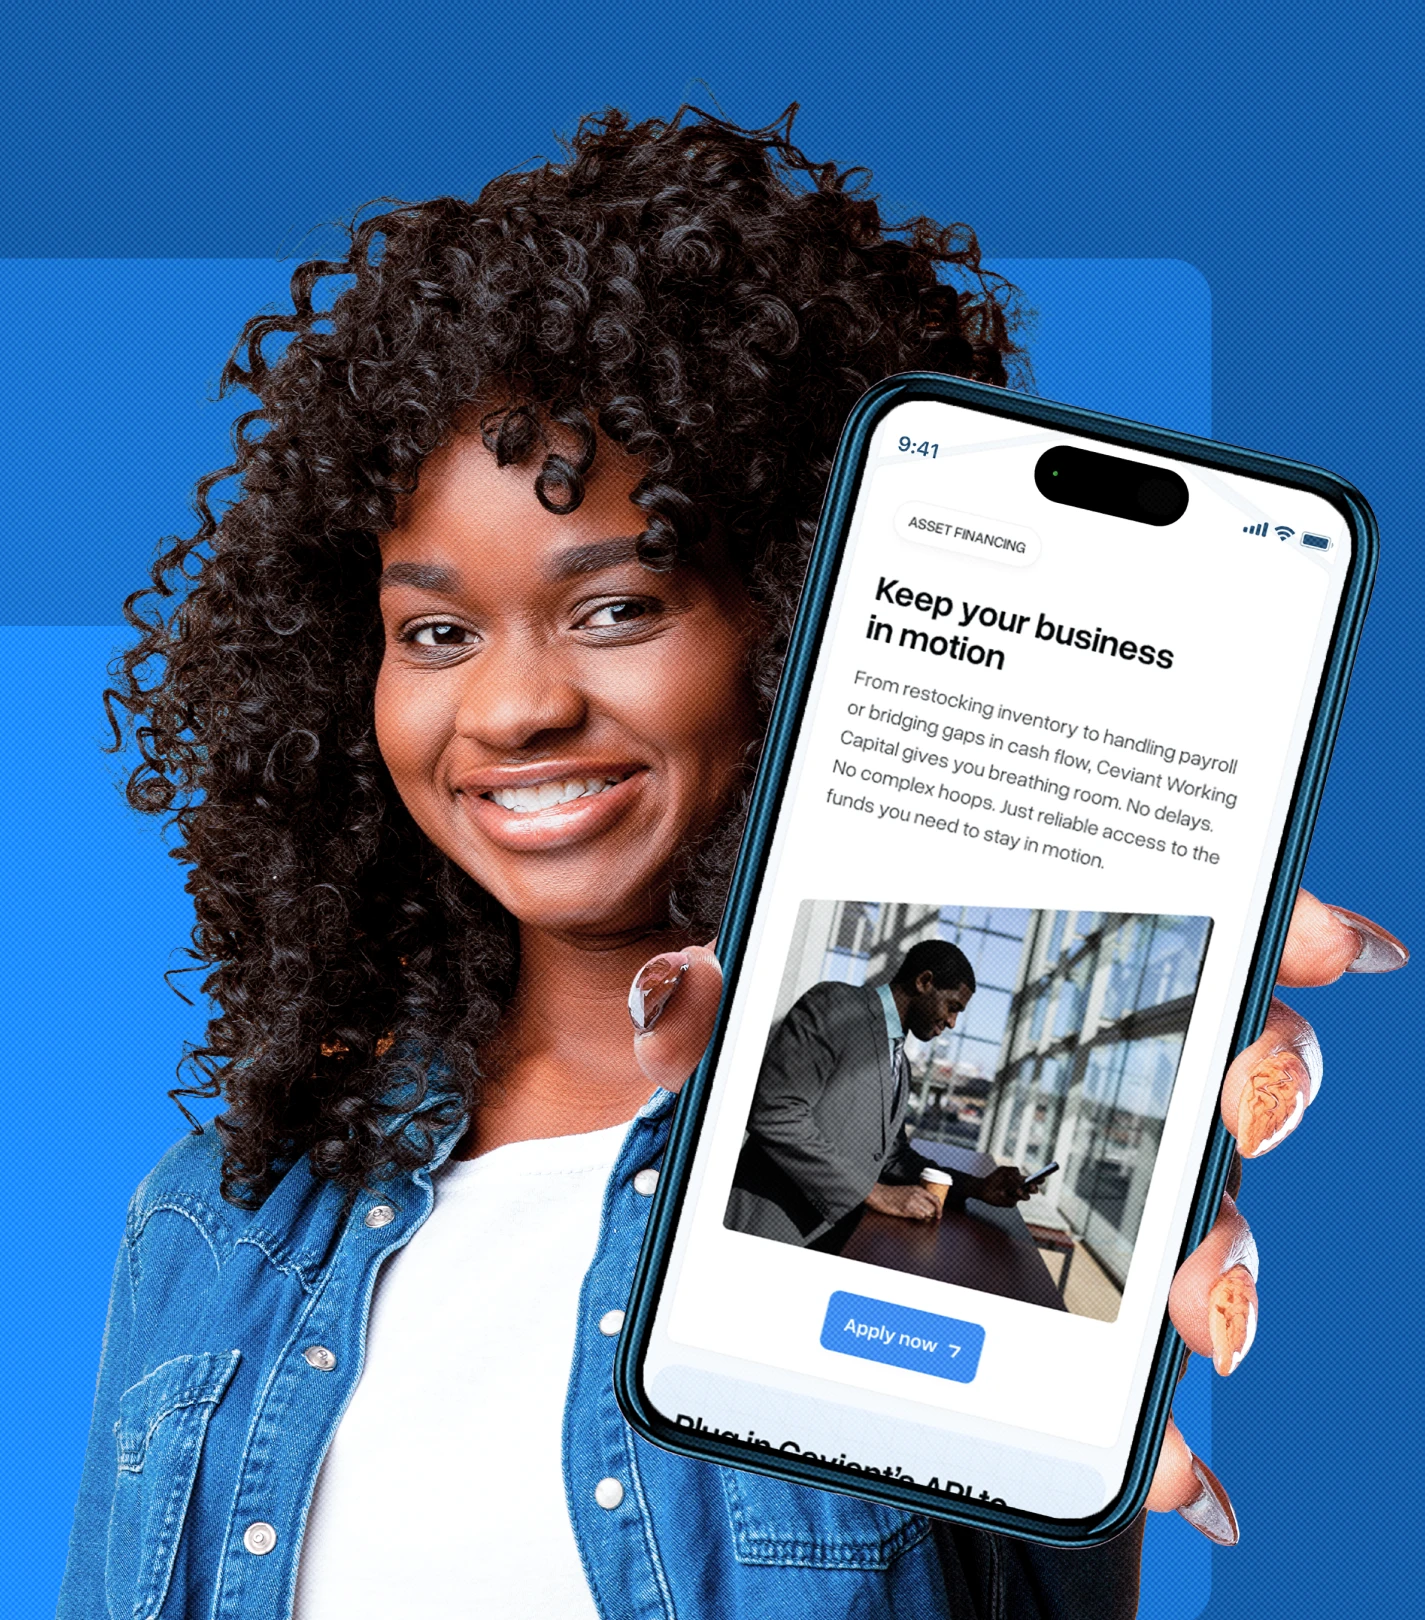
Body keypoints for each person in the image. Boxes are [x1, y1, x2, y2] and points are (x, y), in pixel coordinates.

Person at [58, 106, 1408, 1620]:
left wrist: (1064, 1287)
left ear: (798, 615)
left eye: (618, 607)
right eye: (436, 632)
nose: (511, 708)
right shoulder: (220, 1219)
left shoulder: (829, 1182)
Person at [726, 939, 1031, 1250]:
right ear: (924, 982)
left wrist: (976, 1187)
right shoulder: (835, 1005)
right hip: (766, 1232)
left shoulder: (901, 1065)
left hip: (832, 1240)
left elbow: (893, 1157)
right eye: (952, 1006)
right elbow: (775, 1111)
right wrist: (872, 1193)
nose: (952, 1022)